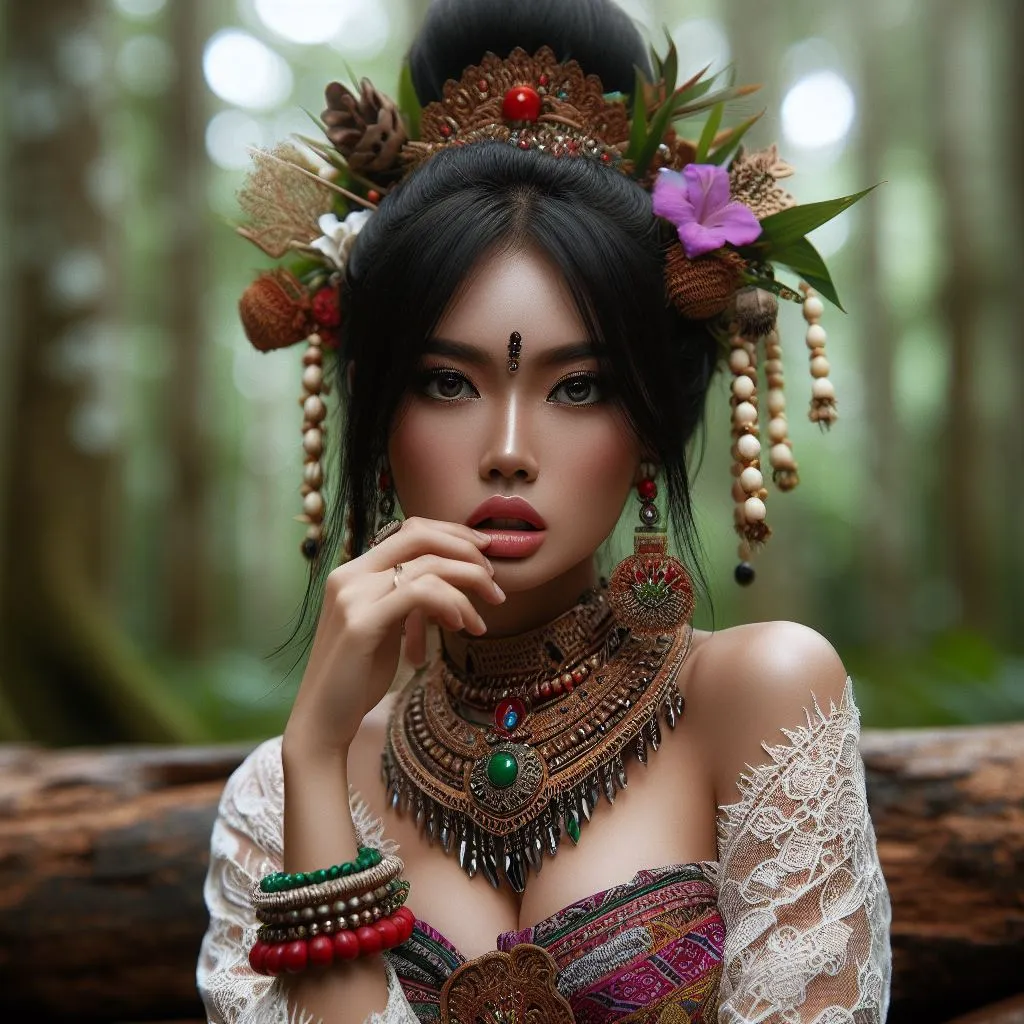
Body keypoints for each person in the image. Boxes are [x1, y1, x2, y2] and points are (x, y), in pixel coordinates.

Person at [197, 1, 892, 1020]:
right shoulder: (281, 790)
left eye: (577, 388)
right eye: (447, 383)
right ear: (380, 415)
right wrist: (312, 753)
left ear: (650, 423)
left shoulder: (760, 697)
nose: (510, 449)